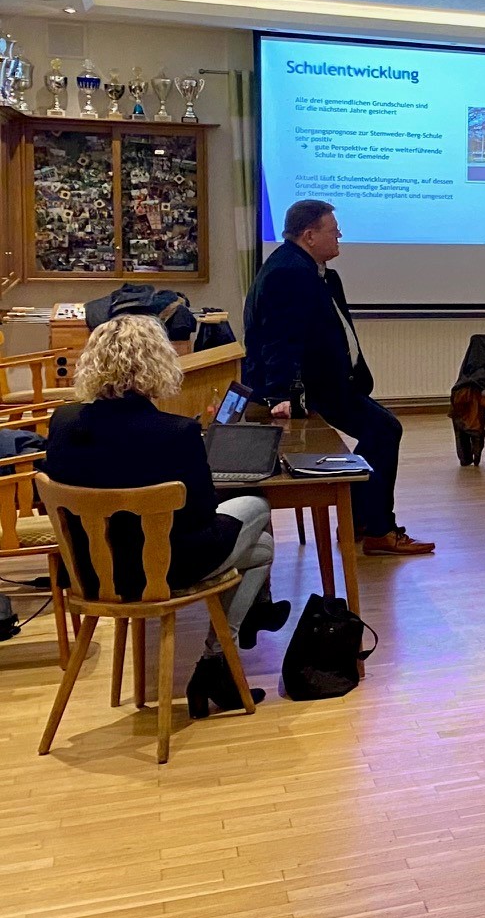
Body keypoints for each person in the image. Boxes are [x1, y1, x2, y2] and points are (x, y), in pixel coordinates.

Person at [43, 315, 287, 717]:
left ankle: (221, 666)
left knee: (260, 551)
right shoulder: (176, 433)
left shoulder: (64, 422)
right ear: (157, 363)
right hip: (163, 571)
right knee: (257, 511)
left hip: (92, 575)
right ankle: (214, 662)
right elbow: (201, 516)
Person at [242, 198, 433, 556]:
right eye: (333, 230)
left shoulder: (308, 268)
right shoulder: (290, 272)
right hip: (313, 388)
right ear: (310, 235)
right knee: (384, 429)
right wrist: (280, 395)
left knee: (382, 431)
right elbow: (280, 339)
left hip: (328, 383)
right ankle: (377, 528)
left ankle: (364, 518)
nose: (340, 235)